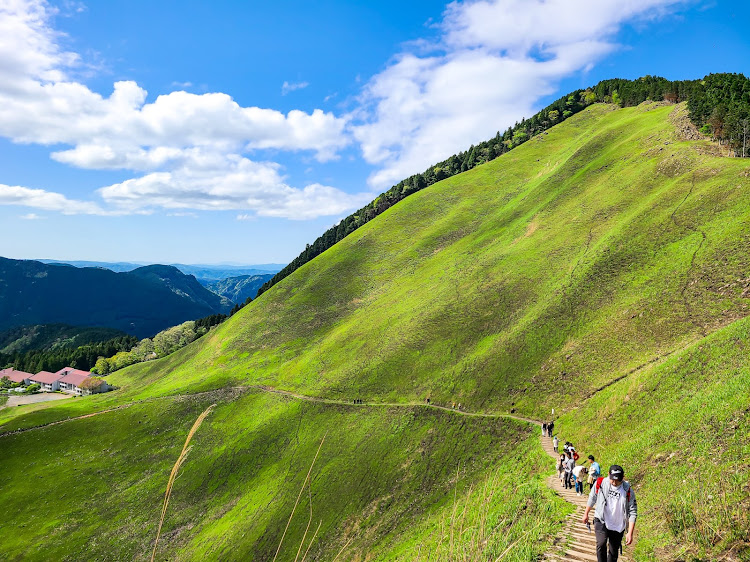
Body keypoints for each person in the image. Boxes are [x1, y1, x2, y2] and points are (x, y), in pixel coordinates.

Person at [582, 465, 637, 562]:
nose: (615, 483)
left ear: (623, 477)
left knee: (613, 551)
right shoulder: (601, 483)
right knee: (601, 543)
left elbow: (633, 511)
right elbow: (592, 497)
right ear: (609, 475)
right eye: (612, 480)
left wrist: (630, 532)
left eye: (618, 480)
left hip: (618, 524)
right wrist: (586, 513)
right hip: (601, 519)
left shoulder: (627, 490)